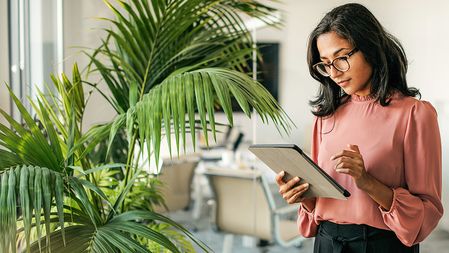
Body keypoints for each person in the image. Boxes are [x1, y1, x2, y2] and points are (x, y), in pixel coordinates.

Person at [275, 3, 443, 253]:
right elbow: (323, 204)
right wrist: (304, 197)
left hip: (381, 246)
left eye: (342, 58)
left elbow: (427, 212)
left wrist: (366, 181)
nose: (334, 73)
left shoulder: (414, 114)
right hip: (326, 242)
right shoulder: (325, 116)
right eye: (325, 64)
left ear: (370, 48)